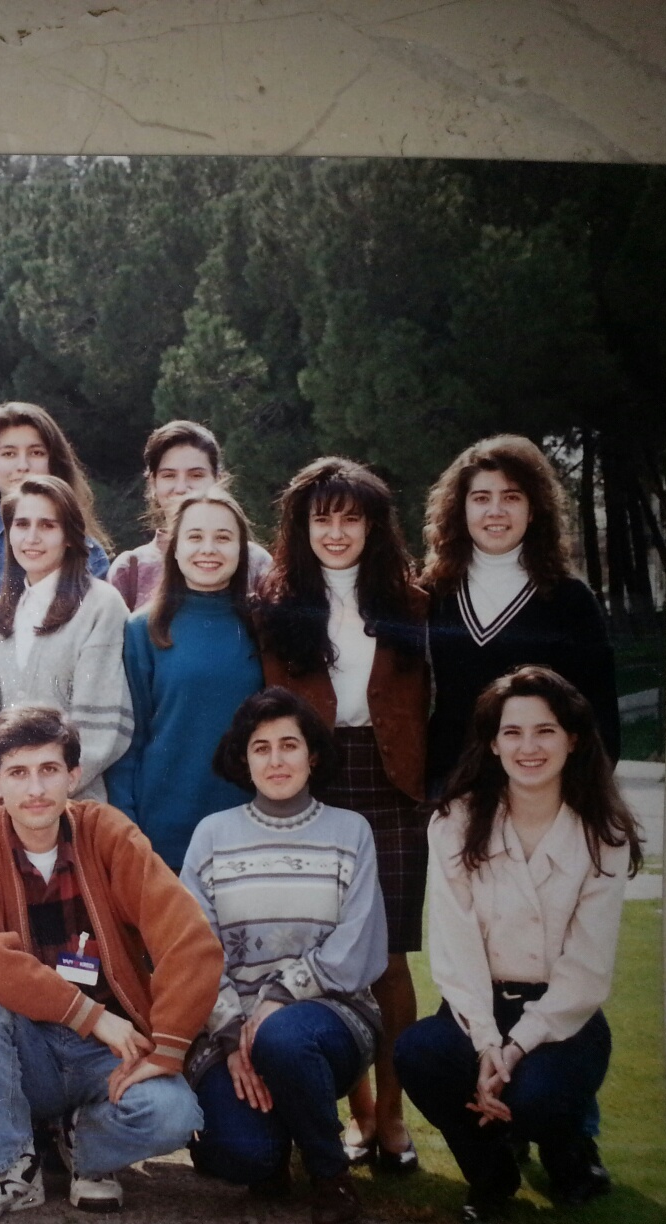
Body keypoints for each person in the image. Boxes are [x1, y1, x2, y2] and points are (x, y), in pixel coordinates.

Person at [0, 703, 219, 1218]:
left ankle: (85, 1149)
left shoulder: (107, 832)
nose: (35, 789)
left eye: (49, 769)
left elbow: (190, 940)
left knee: (174, 1115)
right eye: (18, 773)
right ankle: (11, 1169)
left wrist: (168, 1047)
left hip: (108, 1051)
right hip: (29, 1048)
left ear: (74, 775)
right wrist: (87, 1014)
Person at [395, 666, 640, 1222]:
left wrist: (514, 1049)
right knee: (419, 1053)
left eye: (545, 731)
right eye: (513, 732)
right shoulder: (455, 822)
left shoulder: (604, 833)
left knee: (536, 1098)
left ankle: (567, 1148)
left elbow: (586, 970)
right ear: (493, 743)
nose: (529, 747)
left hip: (561, 1017)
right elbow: (455, 950)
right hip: (477, 1007)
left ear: (572, 739)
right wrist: (487, 1043)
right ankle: (492, 1175)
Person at [253, 457, 429, 1174]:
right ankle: (355, 1113)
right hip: (315, 785)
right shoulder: (275, 606)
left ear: (373, 526)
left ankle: (393, 1115)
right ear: (300, 527)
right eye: (321, 518)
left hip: (392, 786)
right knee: (326, 952)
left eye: (350, 518)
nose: (335, 532)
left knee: (388, 959)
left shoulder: (412, 603)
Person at [181, 688, 388, 1224]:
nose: (276, 760)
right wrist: (232, 1034)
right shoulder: (212, 835)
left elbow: (357, 948)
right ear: (244, 759)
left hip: (328, 1021)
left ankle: (330, 1174)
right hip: (231, 1027)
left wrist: (279, 996)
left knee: (284, 1037)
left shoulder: (351, 832)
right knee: (243, 1157)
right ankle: (270, 1145)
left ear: (312, 754)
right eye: (261, 747)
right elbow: (193, 951)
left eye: (289, 745)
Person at [423, 434, 620, 794]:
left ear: (533, 510)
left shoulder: (569, 600)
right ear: (460, 509)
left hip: (541, 793)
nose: (495, 511)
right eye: (481, 498)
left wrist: (578, 797)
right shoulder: (432, 594)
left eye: (511, 497)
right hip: (452, 790)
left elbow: (600, 717)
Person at [105, 490, 263, 870]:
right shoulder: (143, 629)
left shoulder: (262, 625)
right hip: (163, 830)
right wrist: (129, 829)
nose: (208, 549)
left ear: (242, 550)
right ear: (174, 548)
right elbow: (129, 742)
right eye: (195, 537)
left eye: (223, 537)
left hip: (252, 826)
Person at [0, 476, 132, 800]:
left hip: (74, 803)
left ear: (69, 536)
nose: (32, 537)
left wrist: (41, 791)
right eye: (21, 524)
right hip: (4, 804)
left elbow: (101, 732)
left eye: (48, 525)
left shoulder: (100, 604)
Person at [106, 420, 270, 611]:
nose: (182, 488)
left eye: (196, 475)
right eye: (169, 475)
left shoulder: (255, 562)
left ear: (217, 480)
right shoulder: (130, 569)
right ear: (153, 483)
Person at [0, 401, 112, 585]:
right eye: (9, 454)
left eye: (36, 453)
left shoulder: (89, 555)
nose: (23, 466)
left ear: (53, 464)